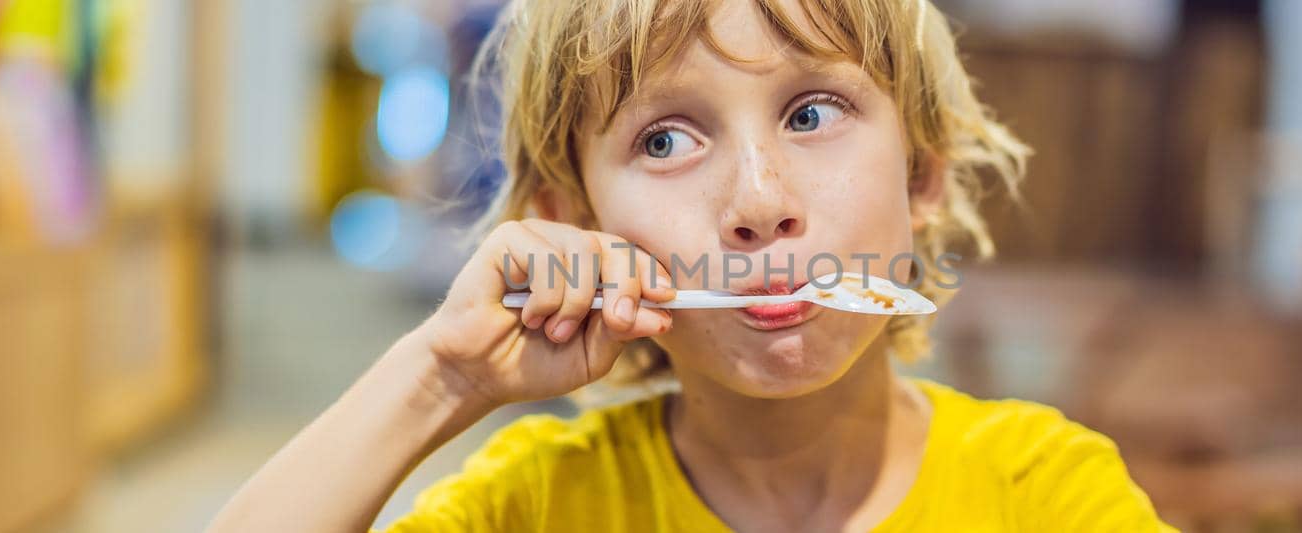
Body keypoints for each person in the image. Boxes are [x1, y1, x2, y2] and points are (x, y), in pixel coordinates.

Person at [210, 0, 1174, 531]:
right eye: (667, 140)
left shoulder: (1043, 495)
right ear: (572, 222)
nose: (758, 202)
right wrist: (439, 377)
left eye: (810, 114)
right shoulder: (538, 507)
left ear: (921, 171)